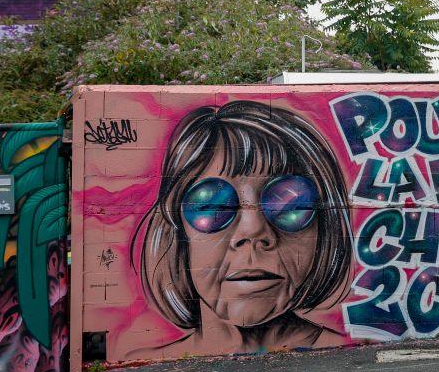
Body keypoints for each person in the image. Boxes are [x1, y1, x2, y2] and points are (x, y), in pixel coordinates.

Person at [129, 101, 352, 358]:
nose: (253, 230)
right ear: (177, 234)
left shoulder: (352, 354)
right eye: (213, 206)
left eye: (288, 204)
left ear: (324, 231)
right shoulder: (140, 362)